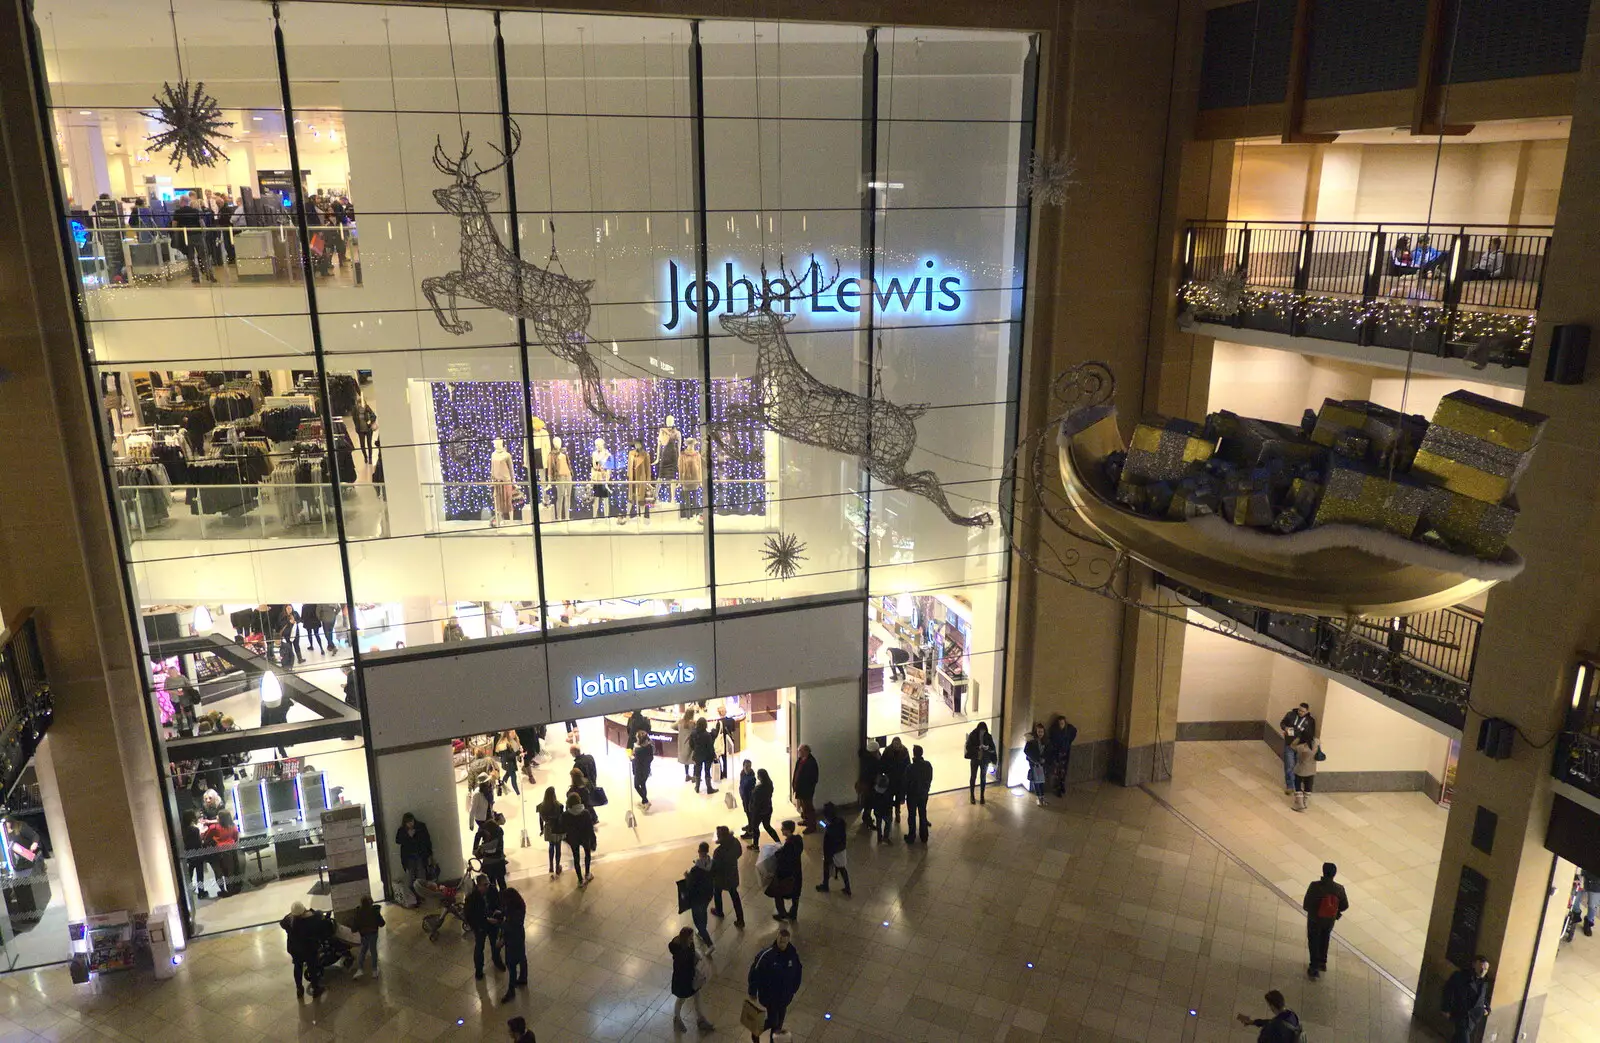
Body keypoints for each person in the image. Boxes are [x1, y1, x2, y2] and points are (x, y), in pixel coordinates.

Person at [747, 928, 803, 1043]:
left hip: (785, 996)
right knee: (774, 1021)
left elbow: (798, 971)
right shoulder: (767, 956)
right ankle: (757, 1030)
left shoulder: (792, 955)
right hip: (770, 996)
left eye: (784, 942)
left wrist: (793, 990)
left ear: (788, 941)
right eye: (780, 941)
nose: (782, 944)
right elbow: (755, 972)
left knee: (778, 1024)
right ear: (777, 938)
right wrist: (753, 991)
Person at [1301, 861, 1348, 979]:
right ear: (1334, 874)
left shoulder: (1314, 886)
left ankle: (1314, 966)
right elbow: (1344, 905)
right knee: (1324, 939)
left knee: (1313, 942)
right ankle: (1323, 962)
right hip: (1329, 920)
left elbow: (1306, 905)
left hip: (1314, 920)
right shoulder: (1339, 889)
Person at [669, 926, 716, 1033]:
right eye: (690, 938)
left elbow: (692, 954)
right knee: (681, 999)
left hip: (691, 978)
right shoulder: (680, 952)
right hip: (683, 980)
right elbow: (684, 965)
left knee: (697, 997)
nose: (692, 940)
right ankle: (677, 1018)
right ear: (685, 938)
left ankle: (700, 1019)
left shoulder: (687, 945)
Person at [463, 874, 506, 980]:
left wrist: (498, 911)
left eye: (488, 884)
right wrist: (483, 921)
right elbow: (470, 916)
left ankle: (497, 960)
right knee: (479, 948)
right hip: (480, 926)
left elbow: (498, 903)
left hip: (493, 923)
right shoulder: (472, 897)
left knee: (494, 944)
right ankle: (479, 970)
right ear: (478, 885)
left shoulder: (492, 890)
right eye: (485, 885)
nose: (487, 886)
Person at [1442, 956, 1493, 1043]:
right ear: (1474, 965)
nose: (1483, 971)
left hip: (1473, 1019)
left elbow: (1482, 997)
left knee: (1457, 1039)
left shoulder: (1484, 982)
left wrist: (1487, 1009)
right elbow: (1448, 991)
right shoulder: (1460, 976)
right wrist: (1445, 1008)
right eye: (1481, 968)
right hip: (1461, 1015)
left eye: (1486, 969)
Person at [171, 193, 216, 284]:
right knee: (204, 256)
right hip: (198, 236)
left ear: (181, 202)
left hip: (186, 237)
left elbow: (174, 225)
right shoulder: (196, 211)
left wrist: (176, 234)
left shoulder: (177, 212)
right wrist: (203, 234)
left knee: (190, 258)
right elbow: (202, 223)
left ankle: (195, 277)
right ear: (188, 202)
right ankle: (209, 275)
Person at [280, 902, 323, 998]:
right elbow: (318, 915)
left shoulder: (289, 921)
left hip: (295, 950)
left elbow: (282, 923)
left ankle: (299, 989)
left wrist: (291, 915)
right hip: (309, 949)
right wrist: (310, 911)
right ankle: (316, 988)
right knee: (312, 968)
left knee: (297, 968)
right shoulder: (309, 920)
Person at [683, 842, 716, 952]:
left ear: (700, 852)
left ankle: (709, 944)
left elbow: (691, 885)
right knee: (704, 912)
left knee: (698, 921)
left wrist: (687, 877)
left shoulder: (696, 869)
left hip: (697, 898)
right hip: (708, 894)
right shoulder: (711, 863)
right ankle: (702, 932)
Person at [711, 824, 745, 927]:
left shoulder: (718, 852)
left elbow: (715, 867)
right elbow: (739, 853)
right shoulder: (735, 842)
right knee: (735, 896)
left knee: (717, 892)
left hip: (721, 877)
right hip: (733, 874)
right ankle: (740, 919)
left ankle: (719, 911)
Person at [1235, 990, 1302, 1042]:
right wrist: (1254, 1022)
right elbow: (1275, 1023)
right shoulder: (1292, 1015)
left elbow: (1261, 1040)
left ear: (1272, 1006)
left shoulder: (1272, 1027)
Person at [768, 820, 803, 921]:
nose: (781, 830)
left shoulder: (788, 845)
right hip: (797, 872)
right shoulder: (798, 839)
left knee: (778, 893)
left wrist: (777, 853)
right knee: (795, 895)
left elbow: (783, 859)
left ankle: (782, 913)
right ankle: (793, 913)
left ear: (787, 830)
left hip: (787, 874)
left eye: (783, 828)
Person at [1279, 703, 1316, 794]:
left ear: (1307, 711)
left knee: (1298, 767)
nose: (1300, 712)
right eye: (1299, 710)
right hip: (1289, 744)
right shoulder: (1291, 715)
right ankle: (1290, 786)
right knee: (1289, 765)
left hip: (1301, 747)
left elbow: (1310, 734)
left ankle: (1297, 785)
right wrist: (1285, 728)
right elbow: (1282, 723)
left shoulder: (1310, 721)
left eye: (1303, 711)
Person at [816, 802, 852, 896]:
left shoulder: (831, 827)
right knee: (841, 868)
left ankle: (825, 885)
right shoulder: (840, 822)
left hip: (832, 851)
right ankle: (847, 887)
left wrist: (825, 826)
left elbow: (830, 835)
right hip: (840, 850)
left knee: (828, 868)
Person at [499, 886, 528, 1002]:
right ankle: (523, 978)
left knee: (511, 964)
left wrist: (499, 923)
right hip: (519, 935)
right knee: (522, 957)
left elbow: (511, 926)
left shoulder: (515, 910)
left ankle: (511, 991)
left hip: (513, 938)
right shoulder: (519, 906)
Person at [395, 812, 433, 897]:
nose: (410, 824)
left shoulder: (421, 827)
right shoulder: (402, 830)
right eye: (408, 823)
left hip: (420, 855)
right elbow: (397, 840)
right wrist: (408, 836)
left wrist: (430, 854)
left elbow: (427, 841)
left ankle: (423, 895)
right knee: (410, 877)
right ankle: (413, 896)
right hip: (409, 857)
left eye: (411, 822)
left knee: (421, 875)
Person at [204, 810, 241, 897]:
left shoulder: (214, 827)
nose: (216, 817)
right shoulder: (233, 826)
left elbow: (206, 838)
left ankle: (222, 890)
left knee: (218, 872)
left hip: (217, 851)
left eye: (218, 816)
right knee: (230, 871)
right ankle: (230, 889)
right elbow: (236, 838)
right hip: (230, 851)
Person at [562, 791, 596, 885]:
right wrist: (593, 839)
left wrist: (567, 839)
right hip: (585, 838)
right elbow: (590, 828)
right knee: (587, 854)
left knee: (576, 858)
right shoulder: (585, 813)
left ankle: (580, 880)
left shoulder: (566, 815)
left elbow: (564, 829)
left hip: (574, 839)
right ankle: (587, 873)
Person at [351, 893, 385, 979]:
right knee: (373, 951)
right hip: (373, 933)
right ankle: (374, 970)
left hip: (363, 935)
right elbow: (382, 923)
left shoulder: (358, 912)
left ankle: (360, 969)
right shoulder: (374, 911)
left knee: (363, 950)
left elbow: (354, 928)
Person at [904, 745, 933, 844]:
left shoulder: (910, 767)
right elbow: (929, 778)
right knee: (923, 814)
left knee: (912, 816)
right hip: (923, 794)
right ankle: (924, 836)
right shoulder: (927, 765)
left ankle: (911, 836)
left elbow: (906, 782)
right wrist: (926, 789)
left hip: (912, 795)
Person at [475, 812, 509, 892]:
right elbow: (498, 846)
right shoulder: (498, 830)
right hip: (498, 861)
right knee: (502, 884)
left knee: (491, 886)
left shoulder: (481, 829)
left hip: (488, 862)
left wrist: (480, 849)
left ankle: (495, 902)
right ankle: (504, 902)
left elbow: (475, 849)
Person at [965, 722, 997, 804]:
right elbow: (968, 747)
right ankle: (972, 796)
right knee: (973, 777)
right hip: (975, 759)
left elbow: (993, 748)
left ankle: (982, 796)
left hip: (984, 760)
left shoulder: (988, 736)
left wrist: (987, 748)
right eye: (981, 731)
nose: (982, 732)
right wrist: (977, 747)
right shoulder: (973, 735)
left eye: (984, 731)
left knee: (983, 778)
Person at [536, 786, 565, 876]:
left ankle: (551, 866)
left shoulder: (541, 806)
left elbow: (540, 820)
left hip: (548, 828)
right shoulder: (559, 806)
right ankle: (557, 867)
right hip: (557, 828)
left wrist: (541, 829)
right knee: (558, 848)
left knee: (551, 846)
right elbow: (561, 818)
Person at [1047, 714, 1078, 796]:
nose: (1061, 725)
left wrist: (1069, 742)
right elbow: (1051, 739)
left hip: (1065, 753)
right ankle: (1057, 788)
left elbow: (1074, 732)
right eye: (1060, 723)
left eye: (1062, 723)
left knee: (1063, 771)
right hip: (1057, 754)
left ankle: (1062, 785)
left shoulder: (1068, 730)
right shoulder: (1055, 731)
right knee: (1057, 772)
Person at [748, 768, 779, 848]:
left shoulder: (758, 789)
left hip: (758, 811)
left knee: (755, 828)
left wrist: (751, 809)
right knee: (767, 826)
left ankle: (755, 845)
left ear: (760, 777)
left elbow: (755, 802)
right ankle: (778, 842)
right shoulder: (769, 784)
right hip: (767, 809)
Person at [791, 744, 819, 833]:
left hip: (807, 790)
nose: (798, 752)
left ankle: (812, 826)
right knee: (803, 806)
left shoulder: (811, 762)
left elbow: (814, 778)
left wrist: (808, 788)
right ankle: (806, 820)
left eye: (800, 751)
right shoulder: (800, 760)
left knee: (808, 807)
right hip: (800, 788)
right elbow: (796, 772)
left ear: (806, 751)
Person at [881, 738, 908, 826]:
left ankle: (897, 813)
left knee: (898, 798)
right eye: (895, 744)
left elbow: (907, 765)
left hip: (900, 780)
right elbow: (883, 763)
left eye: (898, 744)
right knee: (889, 797)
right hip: (890, 779)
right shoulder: (887, 751)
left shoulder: (904, 751)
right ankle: (890, 813)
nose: (896, 746)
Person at [1290, 732, 1320, 812]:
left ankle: (1300, 804)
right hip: (1312, 769)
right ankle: (1305, 802)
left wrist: (1298, 738)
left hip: (1301, 769)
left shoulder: (1301, 748)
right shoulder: (1317, 743)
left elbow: (1292, 745)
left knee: (1297, 785)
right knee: (1308, 786)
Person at [856, 738, 882, 827]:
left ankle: (866, 817)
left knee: (866, 802)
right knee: (869, 803)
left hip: (864, 783)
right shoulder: (873, 761)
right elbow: (877, 770)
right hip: (870, 785)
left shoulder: (864, 756)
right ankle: (867, 820)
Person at [691, 718, 719, 794]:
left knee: (698, 771)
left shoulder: (693, 733)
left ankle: (697, 787)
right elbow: (710, 747)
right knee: (707, 771)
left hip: (697, 755)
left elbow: (691, 744)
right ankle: (709, 788)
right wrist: (714, 755)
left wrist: (695, 750)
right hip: (707, 756)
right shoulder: (707, 735)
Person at [1024, 721, 1049, 806]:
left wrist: (1044, 759)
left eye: (1041, 732)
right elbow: (1026, 751)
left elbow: (1048, 752)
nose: (1040, 733)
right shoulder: (1032, 741)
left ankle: (1042, 797)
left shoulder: (1045, 741)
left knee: (1041, 781)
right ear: (1036, 732)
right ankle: (1039, 798)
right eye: (1039, 731)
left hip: (1041, 765)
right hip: (1035, 764)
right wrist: (1035, 759)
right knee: (1037, 782)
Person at [495, 731, 522, 797]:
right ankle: (518, 794)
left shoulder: (509, 741)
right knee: (513, 779)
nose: (513, 733)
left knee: (507, 775)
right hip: (509, 764)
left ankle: (501, 786)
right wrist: (517, 753)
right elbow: (507, 756)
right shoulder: (504, 744)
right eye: (511, 732)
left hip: (509, 764)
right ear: (507, 733)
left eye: (514, 731)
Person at [632, 729, 654, 808]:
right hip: (646, 770)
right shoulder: (649, 747)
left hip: (639, 771)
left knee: (636, 785)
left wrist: (632, 757)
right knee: (643, 784)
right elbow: (651, 758)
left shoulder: (638, 750)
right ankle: (644, 802)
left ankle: (646, 801)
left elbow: (635, 761)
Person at [870, 773, 894, 842]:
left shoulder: (874, 790)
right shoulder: (888, 792)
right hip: (886, 811)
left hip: (877, 811)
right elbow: (890, 803)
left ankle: (879, 837)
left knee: (878, 823)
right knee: (888, 823)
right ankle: (885, 837)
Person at [352, 397, 377, 464]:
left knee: (369, 444)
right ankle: (365, 457)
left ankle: (370, 458)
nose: (360, 405)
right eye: (359, 403)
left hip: (368, 429)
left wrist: (370, 421)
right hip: (360, 430)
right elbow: (354, 418)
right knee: (362, 445)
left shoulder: (367, 408)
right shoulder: (355, 410)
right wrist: (356, 426)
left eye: (362, 403)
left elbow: (374, 416)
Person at [738, 758, 758, 840]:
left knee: (750, 815)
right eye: (746, 766)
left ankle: (750, 831)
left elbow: (748, 789)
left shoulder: (752, 778)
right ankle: (750, 826)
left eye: (749, 766)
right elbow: (741, 785)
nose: (747, 768)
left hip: (749, 800)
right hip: (744, 798)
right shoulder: (742, 773)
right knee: (747, 813)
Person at [1577, 867, 1600, 936]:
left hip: (1597, 885)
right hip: (1583, 877)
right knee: (1575, 898)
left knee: (1592, 907)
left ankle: (1588, 922)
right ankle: (1575, 914)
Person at [677, 708, 696, 782]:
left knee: (686, 761)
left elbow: (674, 727)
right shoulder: (693, 723)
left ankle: (687, 775)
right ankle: (694, 776)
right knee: (694, 760)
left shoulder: (680, 722)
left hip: (683, 744)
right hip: (691, 744)